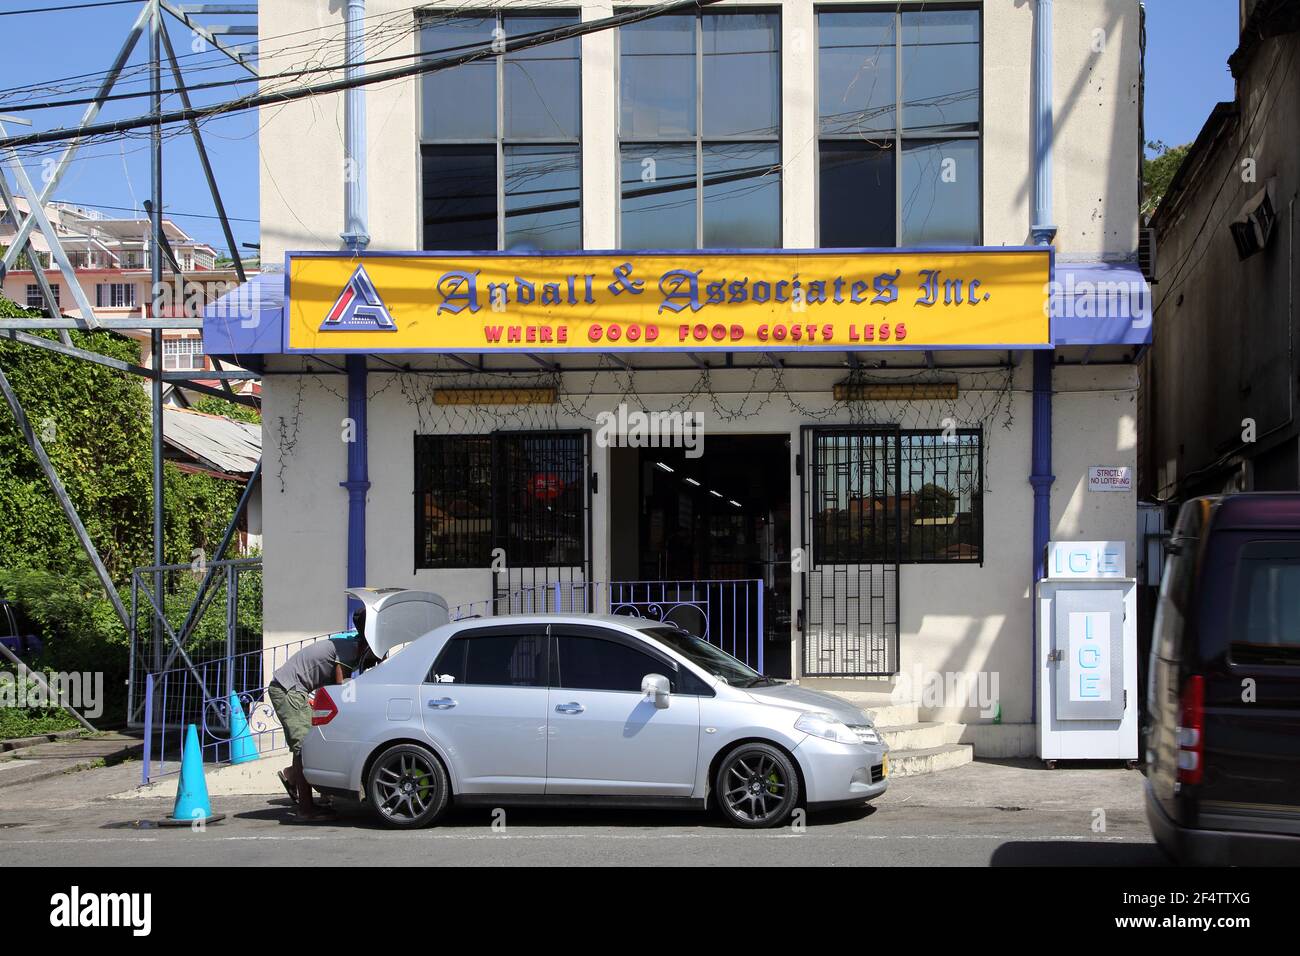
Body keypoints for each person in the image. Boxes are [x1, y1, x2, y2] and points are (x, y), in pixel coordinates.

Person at [268, 608, 377, 820]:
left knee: (315, 741)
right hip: (289, 689)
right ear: (368, 643)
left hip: (296, 690)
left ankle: (292, 776)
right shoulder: (348, 650)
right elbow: (340, 688)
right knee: (304, 748)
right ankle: (306, 810)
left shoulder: (353, 649)